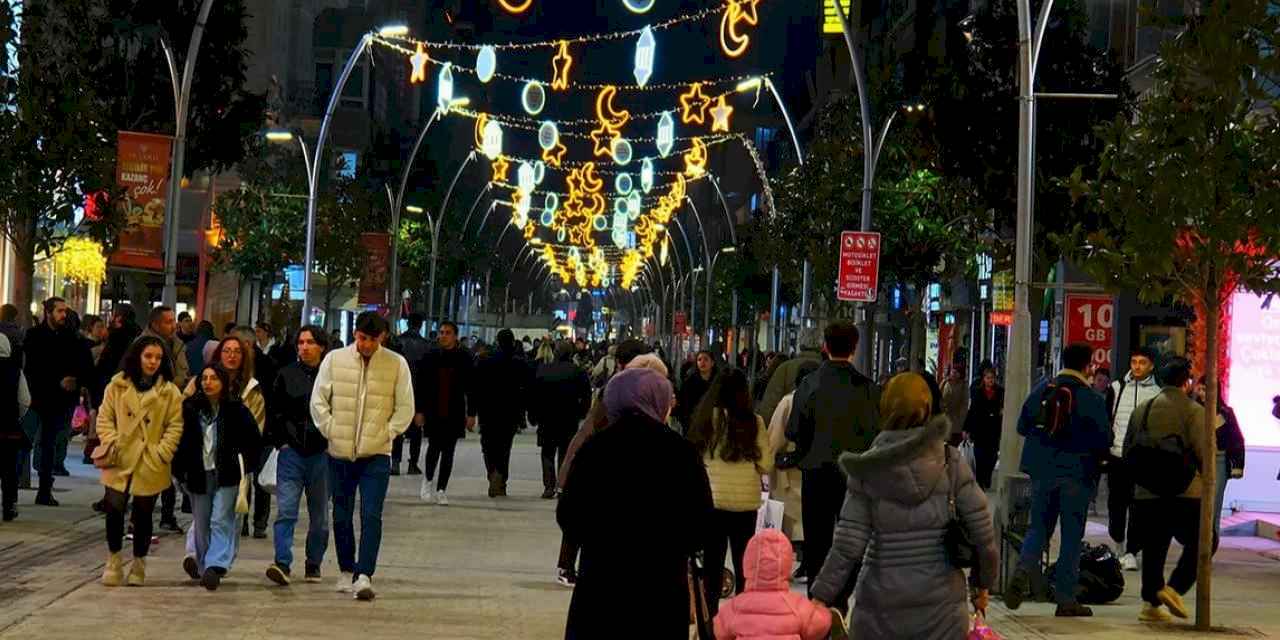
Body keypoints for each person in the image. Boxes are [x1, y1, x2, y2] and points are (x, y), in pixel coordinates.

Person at [811, 372, 998, 639]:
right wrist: (983, 585)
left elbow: (847, 545)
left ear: (885, 409)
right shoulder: (951, 462)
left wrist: (821, 596)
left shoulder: (866, 469)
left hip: (880, 611)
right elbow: (983, 532)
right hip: (943, 612)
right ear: (927, 409)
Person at [557, 367, 713, 639]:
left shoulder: (595, 449)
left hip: (601, 586)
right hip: (660, 589)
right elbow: (701, 524)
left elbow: (569, 516)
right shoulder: (681, 452)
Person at [311, 311, 414, 600]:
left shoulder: (396, 364)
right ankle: (346, 569)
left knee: (371, 514)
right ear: (355, 334)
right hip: (339, 451)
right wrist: (331, 428)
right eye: (361, 338)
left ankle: (365, 573)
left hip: (377, 454)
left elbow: (405, 406)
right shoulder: (335, 360)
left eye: (371, 339)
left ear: (382, 337)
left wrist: (388, 432)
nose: (365, 344)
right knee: (341, 513)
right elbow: (319, 400)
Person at [1005, 343, 1111, 617]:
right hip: (1076, 475)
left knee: (1038, 528)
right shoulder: (1092, 398)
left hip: (1043, 473)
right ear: (1087, 366)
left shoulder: (1044, 389)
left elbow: (1021, 425)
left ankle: (1022, 569)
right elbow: (1104, 440)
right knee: (1072, 537)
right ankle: (1065, 599)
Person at [785, 321, 880, 611]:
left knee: (817, 540)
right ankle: (841, 599)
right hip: (855, 475)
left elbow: (793, 430)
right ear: (855, 348)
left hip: (816, 472)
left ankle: (818, 599)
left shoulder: (809, 384)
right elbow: (877, 432)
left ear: (825, 347)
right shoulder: (867, 389)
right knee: (853, 538)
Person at [97, 336, 184, 587]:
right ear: (137, 356)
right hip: (120, 456)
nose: (153, 362)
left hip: (150, 459)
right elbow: (105, 417)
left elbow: (174, 425)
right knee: (114, 508)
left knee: (144, 514)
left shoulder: (169, 392)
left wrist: (161, 452)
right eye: (148, 356)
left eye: (158, 358)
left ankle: (139, 562)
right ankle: (113, 559)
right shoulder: (117, 386)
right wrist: (112, 442)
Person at [1127, 357, 1209, 623]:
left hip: (1147, 491)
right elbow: (1203, 451)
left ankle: (1151, 603)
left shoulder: (1142, 408)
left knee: (1155, 545)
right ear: (1185, 381)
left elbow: (1130, 447)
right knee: (1206, 540)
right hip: (1183, 491)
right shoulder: (1193, 410)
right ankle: (1174, 588)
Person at [687, 368, 773, 615]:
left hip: (712, 502)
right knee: (744, 563)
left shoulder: (705, 419)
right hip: (745, 505)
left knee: (712, 565)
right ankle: (743, 620)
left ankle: (711, 621)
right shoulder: (753, 422)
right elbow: (765, 464)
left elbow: (693, 457)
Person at [173, 365, 261, 590]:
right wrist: (178, 471)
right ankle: (203, 565)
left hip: (227, 475)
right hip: (197, 474)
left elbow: (253, 440)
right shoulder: (189, 409)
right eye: (204, 378)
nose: (208, 382)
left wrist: (246, 465)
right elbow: (178, 442)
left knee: (221, 519)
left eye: (213, 378)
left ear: (223, 382)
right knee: (201, 522)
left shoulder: (236, 409)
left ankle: (216, 565)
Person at [264, 326, 332, 586]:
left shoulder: (331, 377)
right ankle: (282, 562)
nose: (304, 347)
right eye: (301, 342)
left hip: (322, 454)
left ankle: (313, 562)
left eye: (310, 342)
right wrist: (281, 442)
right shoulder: (285, 375)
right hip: (291, 453)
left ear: (322, 347)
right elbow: (274, 411)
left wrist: (331, 442)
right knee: (286, 511)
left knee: (320, 518)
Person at [186, 334, 267, 539]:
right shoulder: (201, 381)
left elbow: (256, 430)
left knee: (224, 516)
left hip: (233, 462)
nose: (231, 356)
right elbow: (184, 412)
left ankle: (217, 561)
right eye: (227, 351)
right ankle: (197, 556)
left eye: (237, 352)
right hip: (202, 459)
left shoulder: (251, 389)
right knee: (202, 516)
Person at [24, 297, 92, 506]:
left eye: (65, 311)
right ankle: (19, 482)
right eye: (59, 311)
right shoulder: (34, 336)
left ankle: (45, 488)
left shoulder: (72, 337)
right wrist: (57, 381)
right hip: (37, 397)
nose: (63, 315)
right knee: (26, 441)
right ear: (48, 312)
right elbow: (31, 368)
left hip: (61, 400)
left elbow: (86, 366)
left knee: (50, 442)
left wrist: (76, 380)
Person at [712, 529, 832, 640]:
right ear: (787, 564)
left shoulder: (736, 606)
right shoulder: (796, 605)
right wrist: (822, 609)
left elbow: (718, 629)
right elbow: (820, 625)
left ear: (747, 564)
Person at [1107, 346, 1162, 572]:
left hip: (1144, 460)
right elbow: (1106, 419)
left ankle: (1131, 550)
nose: (1137, 366)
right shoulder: (1117, 388)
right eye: (1134, 361)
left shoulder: (1158, 392)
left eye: (1142, 362)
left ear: (1151, 366)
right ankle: (1119, 543)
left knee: (1139, 507)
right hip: (1117, 456)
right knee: (1116, 504)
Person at [139, 305, 191, 533]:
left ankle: (167, 515)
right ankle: (140, 519)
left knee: (167, 466)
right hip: (149, 414)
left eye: (173, 321)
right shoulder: (143, 346)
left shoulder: (177, 344)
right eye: (168, 321)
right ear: (155, 324)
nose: (173, 325)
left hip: (171, 410)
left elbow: (182, 372)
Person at [417, 320, 474, 506]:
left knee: (449, 451)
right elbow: (421, 385)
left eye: (447, 332)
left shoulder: (465, 357)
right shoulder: (430, 356)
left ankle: (442, 489)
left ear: (455, 336)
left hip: (454, 410)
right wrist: (419, 410)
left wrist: (471, 413)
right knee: (433, 447)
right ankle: (428, 480)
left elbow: (471, 388)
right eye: (441, 332)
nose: (443, 335)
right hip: (433, 409)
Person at [766, 360, 819, 553]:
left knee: (792, 523)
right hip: (814, 468)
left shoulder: (788, 401)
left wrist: (766, 464)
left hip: (789, 470)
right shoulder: (826, 400)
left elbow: (775, 436)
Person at [473, 329, 531, 497]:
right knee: (505, 448)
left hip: (488, 411)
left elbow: (476, 388)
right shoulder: (520, 363)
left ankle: (492, 472)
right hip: (510, 411)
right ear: (513, 342)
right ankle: (501, 478)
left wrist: (473, 411)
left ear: (497, 341)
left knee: (488, 446)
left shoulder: (485, 361)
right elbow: (526, 389)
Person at [531, 341, 592, 500]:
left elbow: (534, 395)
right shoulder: (578, 372)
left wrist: (533, 415)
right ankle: (562, 485)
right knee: (566, 452)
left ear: (555, 353)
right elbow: (586, 396)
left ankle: (548, 486)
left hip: (546, 418)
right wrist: (582, 413)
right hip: (569, 418)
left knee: (547, 452)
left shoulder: (543, 370)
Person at [1192, 376, 1245, 548]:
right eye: (1200, 388)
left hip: (1220, 461)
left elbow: (1237, 440)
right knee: (1195, 505)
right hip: (1196, 462)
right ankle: (1196, 545)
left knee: (1214, 506)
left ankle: (1210, 545)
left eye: (1206, 389)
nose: (1202, 392)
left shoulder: (1225, 412)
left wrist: (1237, 467)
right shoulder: (1192, 410)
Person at [391, 314, 431, 476]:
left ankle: (395, 462)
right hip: (418, 391)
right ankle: (412, 464)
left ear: (408, 323)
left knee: (398, 428)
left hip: (398, 389)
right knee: (416, 430)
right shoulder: (426, 345)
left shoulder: (397, 342)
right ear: (420, 325)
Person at [757, 327, 823, 425]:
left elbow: (769, 405)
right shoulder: (827, 370)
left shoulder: (785, 368)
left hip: (787, 431)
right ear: (822, 345)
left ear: (800, 344)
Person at [0, 332, 31, 522]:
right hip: (7, 427)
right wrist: (16, 416)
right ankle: (9, 506)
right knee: (9, 469)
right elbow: (24, 400)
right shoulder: (15, 371)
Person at [963, 366, 1005, 490]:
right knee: (979, 456)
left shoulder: (1000, 392)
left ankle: (987, 477)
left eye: (992, 378)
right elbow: (972, 411)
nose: (990, 380)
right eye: (987, 378)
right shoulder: (977, 392)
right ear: (984, 379)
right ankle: (980, 480)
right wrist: (966, 428)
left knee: (991, 456)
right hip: (980, 429)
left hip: (994, 429)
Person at [676, 349, 718, 434]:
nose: (702, 362)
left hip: (713, 425)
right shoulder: (689, 382)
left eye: (706, 359)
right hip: (692, 425)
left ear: (712, 363)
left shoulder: (717, 383)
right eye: (699, 360)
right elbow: (683, 404)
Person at [941, 366, 970, 446]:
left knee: (954, 446)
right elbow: (939, 396)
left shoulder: (963, 385)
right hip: (946, 419)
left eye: (956, 372)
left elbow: (964, 404)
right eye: (952, 372)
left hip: (957, 421)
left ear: (960, 374)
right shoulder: (946, 383)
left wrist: (961, 420)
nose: (953, 374)